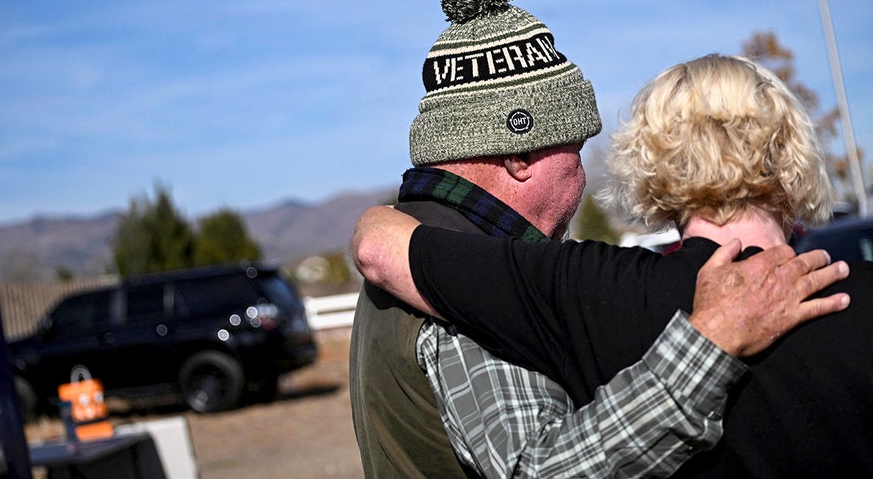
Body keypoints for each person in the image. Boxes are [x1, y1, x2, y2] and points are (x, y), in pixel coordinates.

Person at [352, 54, 867, 476]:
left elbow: (383, 247)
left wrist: (377, 217)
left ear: (654, 163)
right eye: (576, 150)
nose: (581, 176)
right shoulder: (857, 300)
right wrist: (707, 344)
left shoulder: (579, 286)